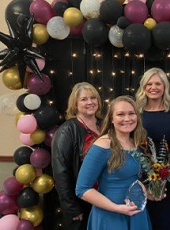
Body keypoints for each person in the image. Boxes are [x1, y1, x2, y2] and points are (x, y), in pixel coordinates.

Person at [75, 96, 152, 230]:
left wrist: (148, 193)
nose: (127, 119)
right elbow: (82, 189)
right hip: (111, 217)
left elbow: (132, 177)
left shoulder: (135, 143)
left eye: (131, 113)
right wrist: (117, 208)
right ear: (111, 119)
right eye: (120, 114)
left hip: (136, 214)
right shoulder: (103, 145)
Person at [52, 82, 103, 230]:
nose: (90, 102)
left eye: (93, 98)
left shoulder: (105, 126)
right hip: (81, 201)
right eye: (84, 99)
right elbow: (61, 172)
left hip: (105, 198)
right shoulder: (67, 130)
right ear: (75, 104)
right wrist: (71, 207)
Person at [135, 67, 170, 230]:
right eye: (149, 84)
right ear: (143, 87)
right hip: (139, 177)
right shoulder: (135, 112)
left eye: (158, 84)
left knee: (165, 223)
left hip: (167, 178)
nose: (153, 87)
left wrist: (169, 172)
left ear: (165, 87)